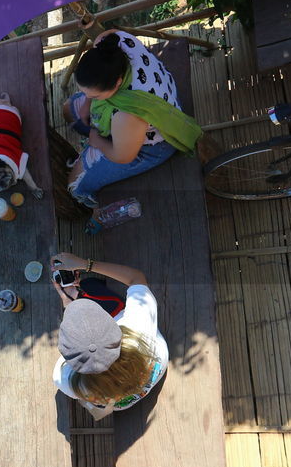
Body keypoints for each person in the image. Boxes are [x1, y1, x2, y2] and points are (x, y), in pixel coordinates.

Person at [62, 30, 202, 208]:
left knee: (75, 185)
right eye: (84, 91)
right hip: (154, 100)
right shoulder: (109, 42)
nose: (87, 97)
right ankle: (97, 131)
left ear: (118, 83)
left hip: (152, 145)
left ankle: (90, 196)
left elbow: (123, 156)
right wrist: (87, 102)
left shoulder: (129, 114)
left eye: (94, 96)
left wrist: (97, 141)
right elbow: (93, 92)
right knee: (69, 109)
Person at [50, 251, 168, 420]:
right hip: (156, 365)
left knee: (89, 286)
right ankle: (81, 296)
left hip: (123, 402)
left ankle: (78, 296)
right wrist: (85, 264)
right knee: (91, 284)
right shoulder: (138, 327)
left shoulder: (64, 378)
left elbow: (78, 354)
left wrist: (70, 305)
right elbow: (136, 278)